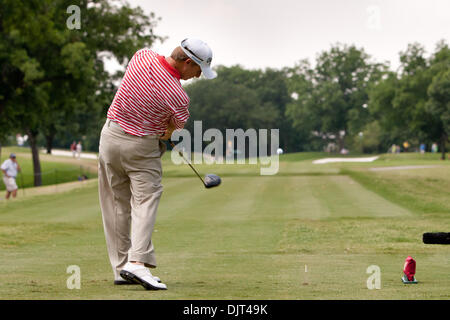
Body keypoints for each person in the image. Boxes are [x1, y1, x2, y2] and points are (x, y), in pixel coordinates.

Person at [98, 38, 217, 290]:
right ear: (187, 62)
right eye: (197, 70)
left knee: (117, 203)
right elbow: (168, 132)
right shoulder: (179, 97)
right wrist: (164, 131)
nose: (196, 76)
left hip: (109, 137)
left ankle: (121, 268)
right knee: (145, 200)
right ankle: (137, 263)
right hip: (140, 148)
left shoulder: (141, 56)